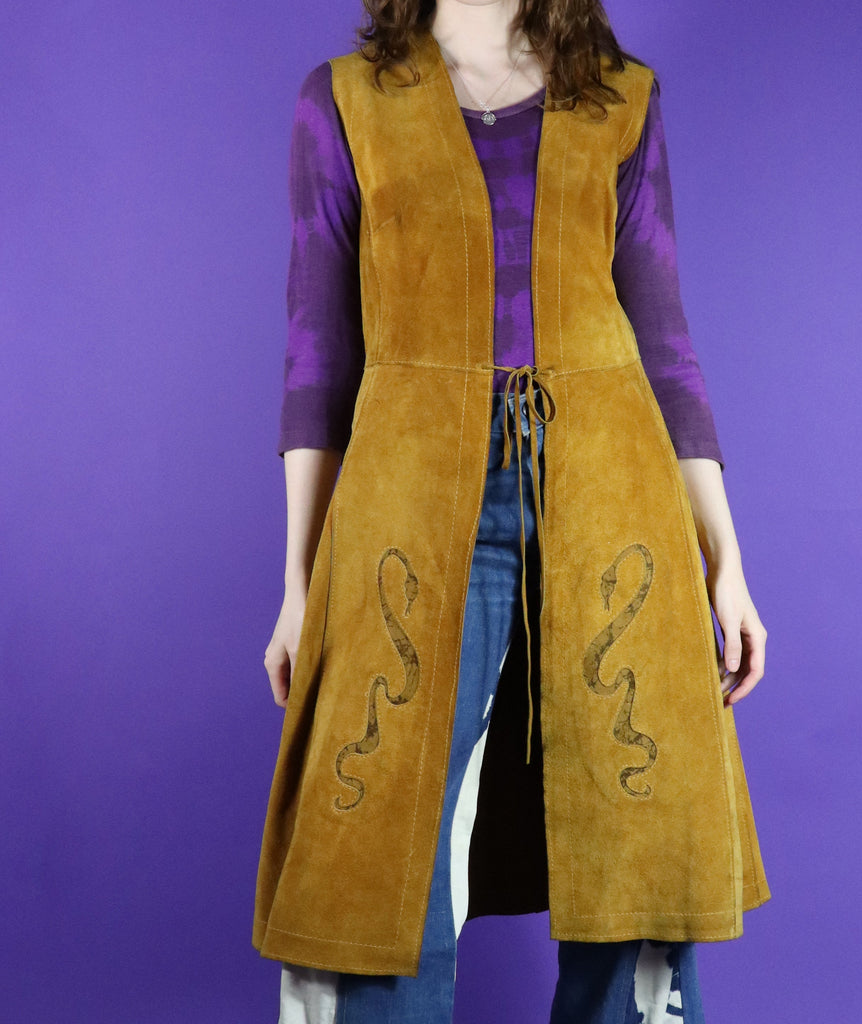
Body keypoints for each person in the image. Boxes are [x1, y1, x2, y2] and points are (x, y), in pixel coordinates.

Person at [257, 1, 771, 1021]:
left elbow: (662, 339)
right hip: (406, 508)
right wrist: (298, 581)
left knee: (636, 824)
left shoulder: (620, 97)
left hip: (614, 497)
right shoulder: (347, 99)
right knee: (383, 835)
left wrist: (727, 560)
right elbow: (319, 353)